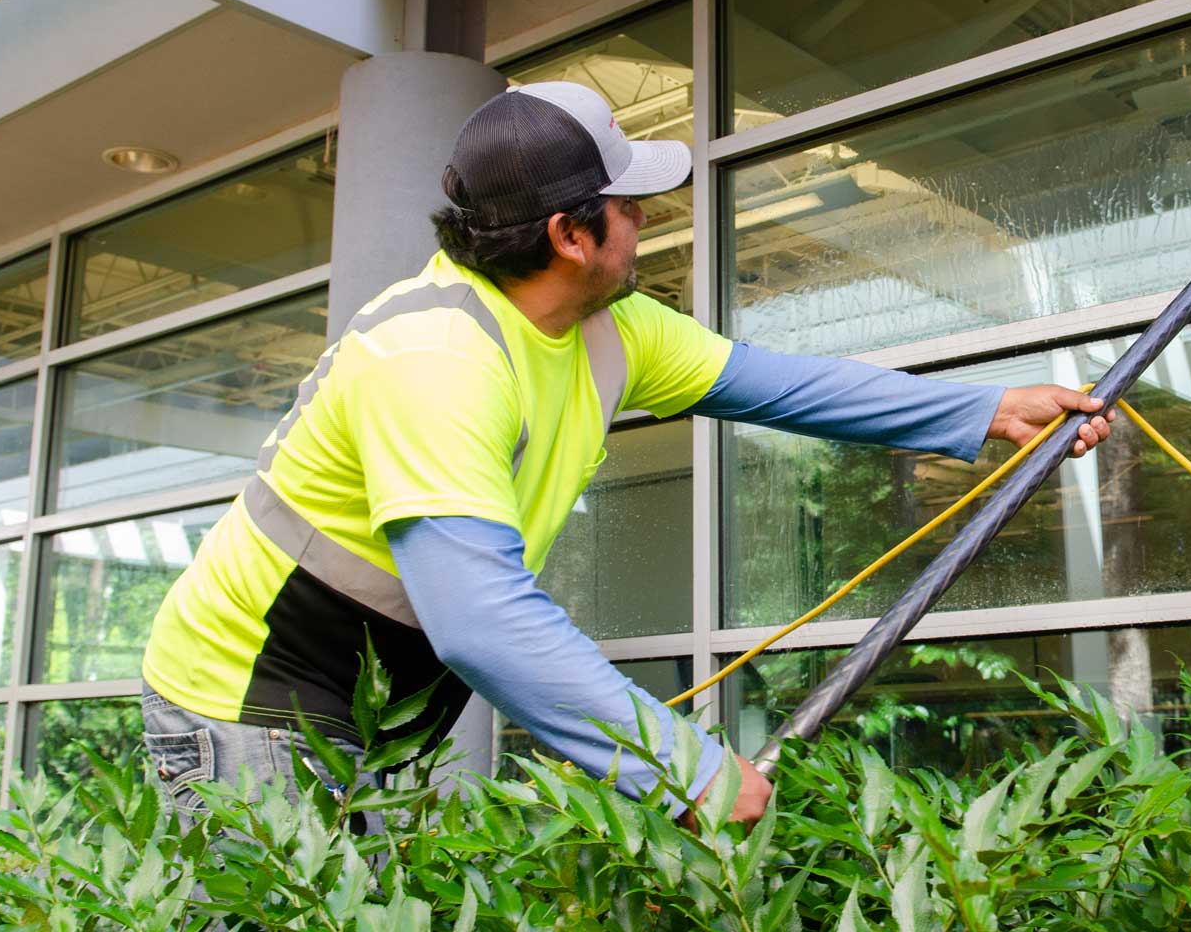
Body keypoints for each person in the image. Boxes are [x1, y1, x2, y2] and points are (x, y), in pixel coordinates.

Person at [138, 81, 1115, 827]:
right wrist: (685, 771)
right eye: (629, 204)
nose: (648, 218)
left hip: (374, 709)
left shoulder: (615, 326)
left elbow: (782, 383)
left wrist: (990, 409)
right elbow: (484, 624)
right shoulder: (434, 359)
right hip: (249, 701)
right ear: (569, 232)